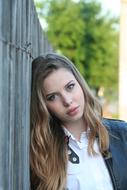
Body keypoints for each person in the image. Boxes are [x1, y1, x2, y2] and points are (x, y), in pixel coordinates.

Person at [30, 53, 127, 190]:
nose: (67, 101)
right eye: (52, 97)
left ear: (80, 84)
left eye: (70, 87)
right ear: (43, 106)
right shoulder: (42, 154)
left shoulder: (122, 134)